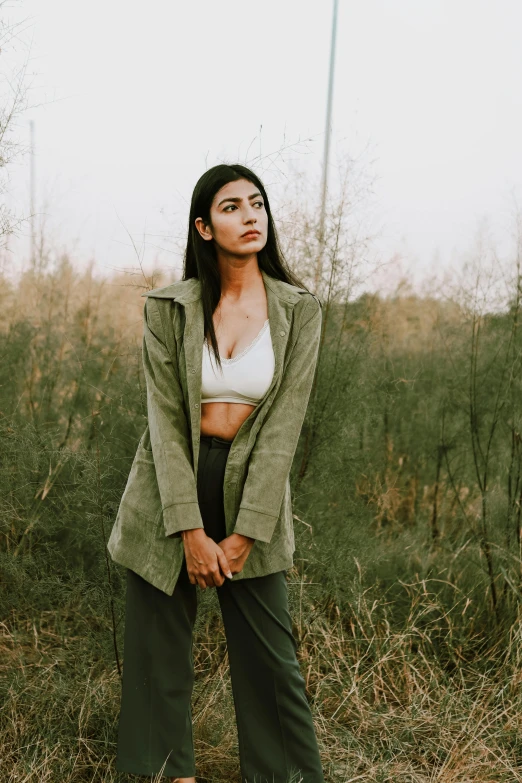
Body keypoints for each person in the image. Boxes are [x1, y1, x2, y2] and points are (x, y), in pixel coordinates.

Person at [107, 163, 325, 782]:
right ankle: (166, 775)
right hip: (168, 483)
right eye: (231, 207)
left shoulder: (299, 310)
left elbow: (284, 430)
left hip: (253, 484)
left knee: (271, 660)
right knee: (156, 655)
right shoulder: (167, 308)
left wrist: (247, 530)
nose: (250, 215)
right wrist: (187, 527)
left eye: (256, 204)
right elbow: (164, 423)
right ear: (204, 227)